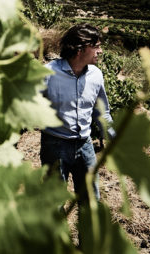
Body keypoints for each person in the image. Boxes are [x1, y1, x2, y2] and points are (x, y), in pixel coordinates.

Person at [40, 23, 114, 203]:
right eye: (96, 46)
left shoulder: (96, 75)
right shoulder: (49, 73)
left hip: (85, 146)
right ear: (80, 48)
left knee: (91, 202)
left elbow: (102, 112)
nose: (100, 51)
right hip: (54, 145)